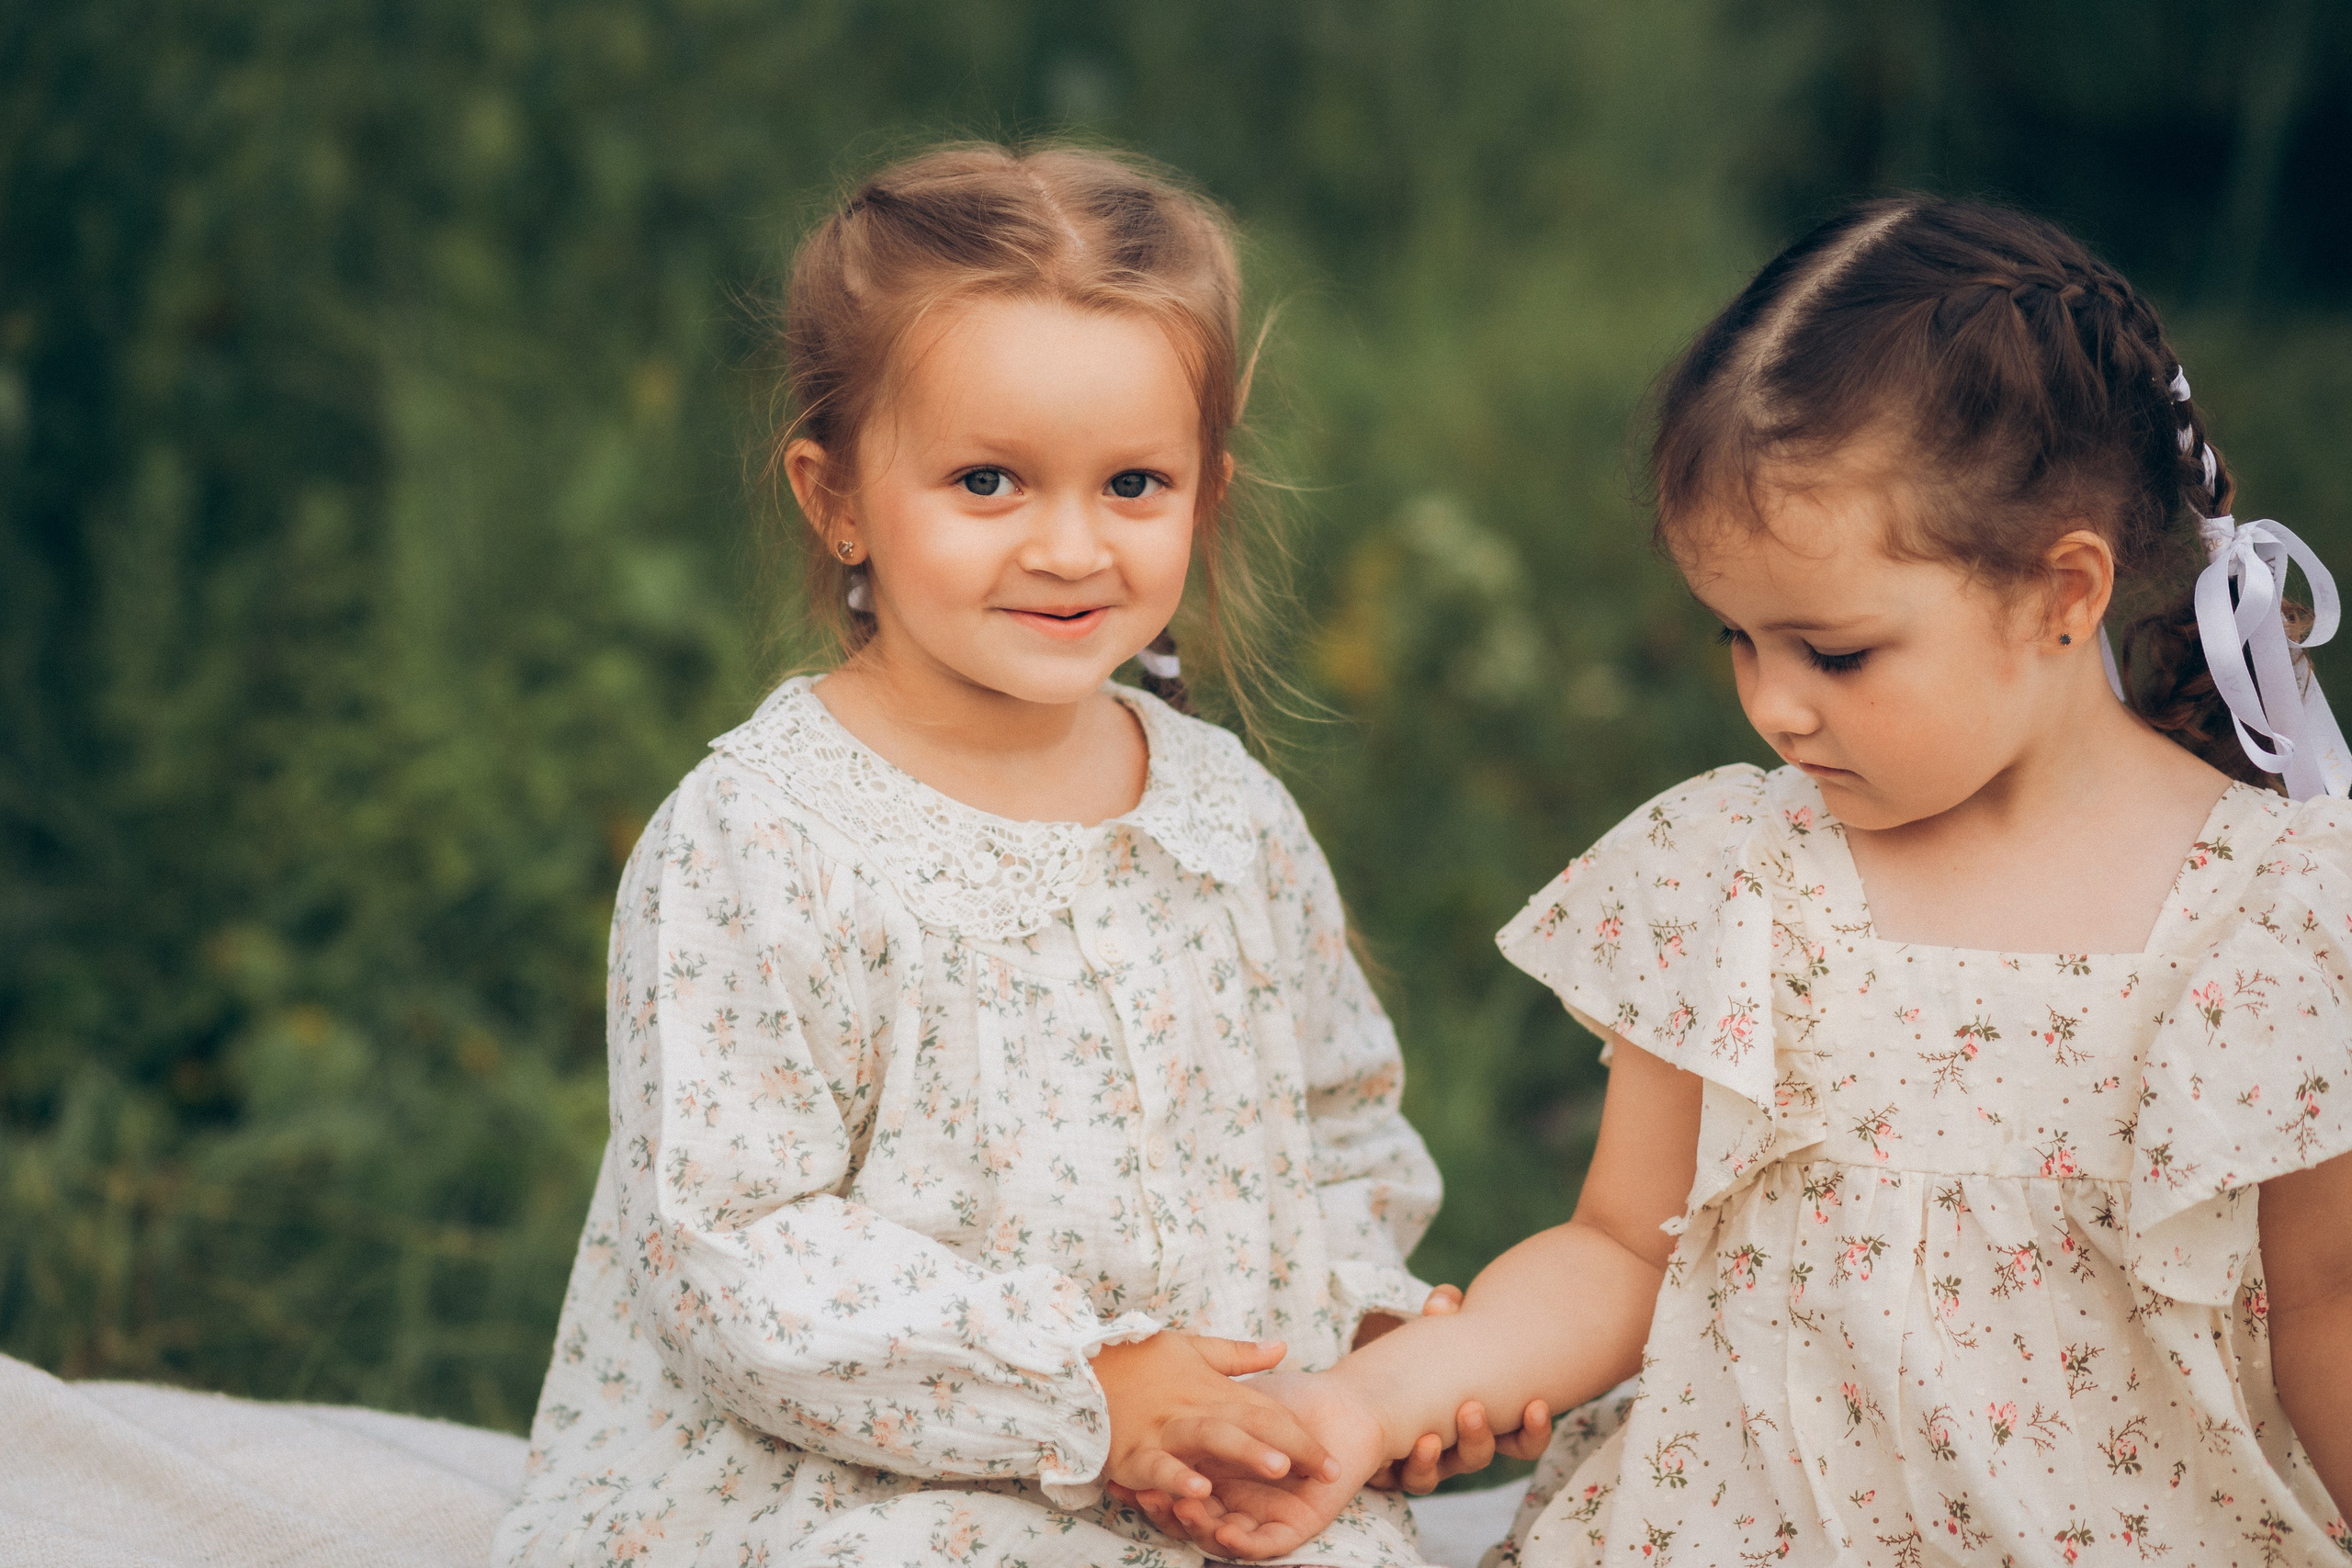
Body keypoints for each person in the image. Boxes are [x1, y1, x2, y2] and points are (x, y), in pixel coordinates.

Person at [1128, 197, 2352, 1566]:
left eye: (1835, 654)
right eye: (1738, 638)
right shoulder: (1744, 873)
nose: (1774, 704)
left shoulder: (2277, 916)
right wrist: (1360, 1406)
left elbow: (2331, 1311)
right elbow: (1619, 1249)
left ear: (2063, 593)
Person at [492, 141, 1462, 1568]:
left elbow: (1337, 1121)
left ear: (1207, 492)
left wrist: (1368, 1343)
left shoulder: (1222, 814)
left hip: (1211, 1474)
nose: (1070, 547)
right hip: (868, 1473)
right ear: (836, 497)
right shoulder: (767, 836)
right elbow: (729, 1243)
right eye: (989, 481)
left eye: (1133, 483)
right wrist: (1083, 1385)